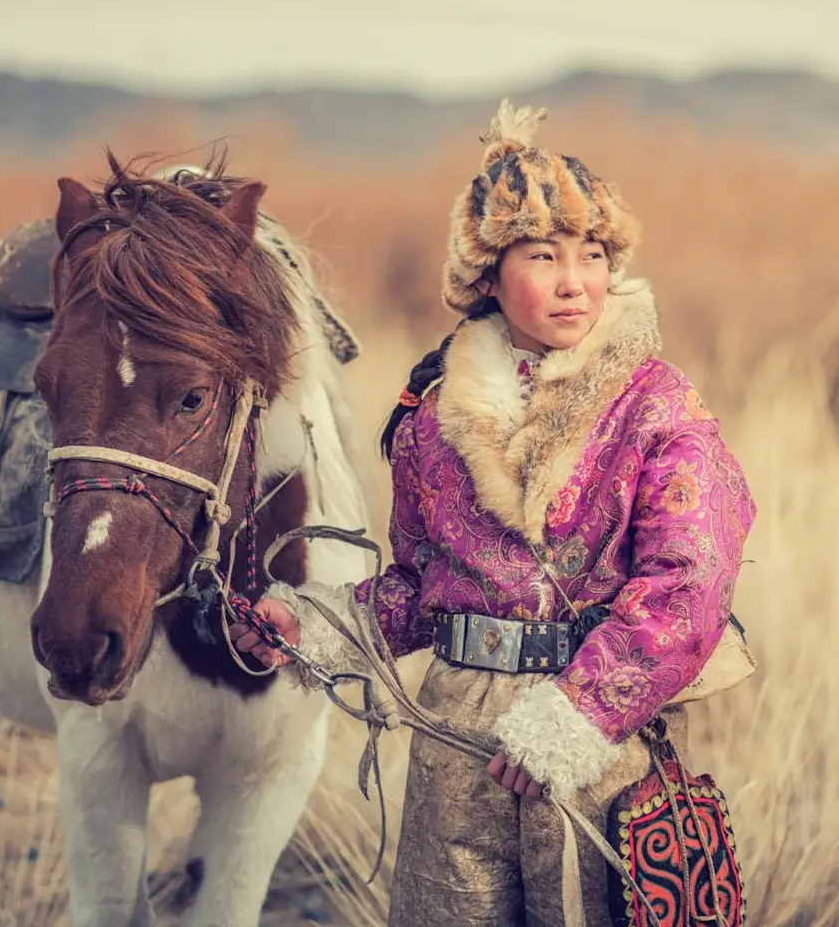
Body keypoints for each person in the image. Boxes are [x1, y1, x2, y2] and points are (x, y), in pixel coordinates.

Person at [228, 98, 757, 927]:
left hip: (599, 741)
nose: (574, 281)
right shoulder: (432, 419)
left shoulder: (658, 407)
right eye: (543, 255)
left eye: (592, 255)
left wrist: (576, 718)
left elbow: (690, 585)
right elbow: (418, 590)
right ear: (487, 275)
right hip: (452, 735)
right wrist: (315, 627)